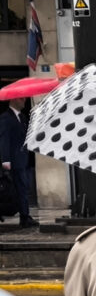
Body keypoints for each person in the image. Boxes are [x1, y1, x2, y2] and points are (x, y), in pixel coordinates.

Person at [0, 97, 37, 227]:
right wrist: (5, 160)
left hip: (24, 159)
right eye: (21, 99)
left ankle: (25, 215)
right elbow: (4, 139)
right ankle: (24, 217)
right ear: (14, 100)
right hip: (14, 161)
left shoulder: (22, 118)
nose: (24, 101)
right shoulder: (5, 118)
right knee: (19, 188)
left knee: (24, 188)